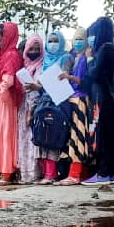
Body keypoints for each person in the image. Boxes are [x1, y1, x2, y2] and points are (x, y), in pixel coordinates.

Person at [69, 17, 114, 185]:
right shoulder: (111, 49)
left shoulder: (104, 50)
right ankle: (110, 172)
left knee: (102, 135)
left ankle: (104, 172)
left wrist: (91, 59)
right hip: (106, 99)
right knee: (107, 135)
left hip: (103, 99)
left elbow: (92, 75)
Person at [57, 27, 93, 185]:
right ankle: (80, 173)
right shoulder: (73, 57)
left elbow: (85, 82)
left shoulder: (87, 58)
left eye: (81, 39)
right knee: (72, 137)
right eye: (75, 39)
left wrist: (69, 76)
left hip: (81, 100)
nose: (78, 42)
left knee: (78, 137)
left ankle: (75, 174)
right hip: (71, 99)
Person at [0, 23, 23, 184]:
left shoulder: (10, 55)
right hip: (5, 99)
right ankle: (6, 171)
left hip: (6, 99)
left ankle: (6, 172)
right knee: (5, 133)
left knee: (5, 134)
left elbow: (8, 81)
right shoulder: (7, 54)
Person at [34, 30, 70, 184]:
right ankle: (47, 173)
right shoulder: (45, 61)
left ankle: (52, 174)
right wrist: (34, 86)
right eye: (50, 41)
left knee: (55, 137)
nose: (53, 44)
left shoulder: (66, 58)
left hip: (60, 101)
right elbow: (41, 83)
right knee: (43, 135)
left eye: (56, 41)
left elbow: (65, 77)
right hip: (45, 101)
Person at [18, 35, 44, 184]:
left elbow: (37, 89)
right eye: (31, 48)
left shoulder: (41, 67)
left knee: (33, 140)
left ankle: (34, 173)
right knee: (23, 140)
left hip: (35, 107)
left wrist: (31, 111)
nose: (33, 51)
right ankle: (24, 173)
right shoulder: (26, 67)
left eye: (37, 49)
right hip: (23, 106)